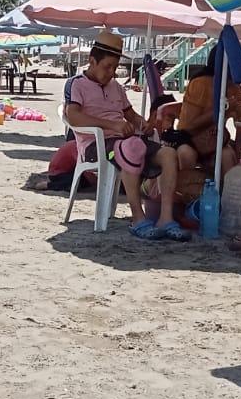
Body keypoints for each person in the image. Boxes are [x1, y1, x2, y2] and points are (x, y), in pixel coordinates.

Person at [64, 30, 187, 241]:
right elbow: (73, 117)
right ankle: (137, 217)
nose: (111, 72)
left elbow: (130, 115)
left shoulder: (116, 88)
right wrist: (111, 124)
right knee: (133, 148)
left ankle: (165, 218)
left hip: (125, 141)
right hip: (97, 145)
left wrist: (145, 125)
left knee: (167, 154)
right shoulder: (77, 84)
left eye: (114, 67)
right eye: (107, 67)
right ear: (92, 61)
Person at [175, 50, 241, 184]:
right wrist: (221, 110)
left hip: (216, 141)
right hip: (190, 139)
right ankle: (187, 195)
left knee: (227, 156)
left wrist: (239, 151)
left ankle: (225, 198)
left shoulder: (233, 86)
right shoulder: (200, 83)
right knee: (186, 154)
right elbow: (188, 127)